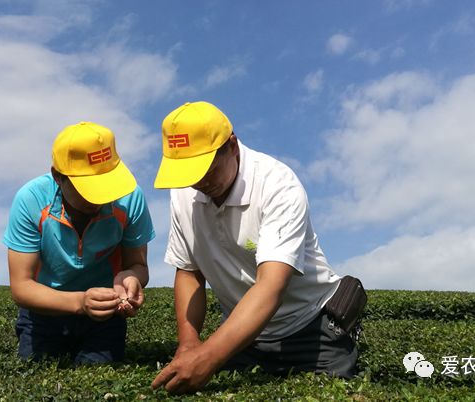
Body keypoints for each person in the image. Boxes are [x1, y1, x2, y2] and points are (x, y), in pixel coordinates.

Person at [150, 101, 362, 394]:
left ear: (232, 146)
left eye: (207, 169)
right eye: (188, 173)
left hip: (309, 327)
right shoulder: (185, 191)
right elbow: (189, 271)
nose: (199, 182)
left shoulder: (278, 185)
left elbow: (270, 287)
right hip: (242, 334)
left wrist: (208, 357)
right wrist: (189, 343)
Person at [3, 121, 155, 365]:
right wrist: (80, 302)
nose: (101, 198)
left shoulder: (130, 198)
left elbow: (138, 264)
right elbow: (21, 287)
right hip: (43, 313)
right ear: (58, 177)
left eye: (107, 183)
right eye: (88, 188)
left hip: (104, 316)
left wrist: (131, 279)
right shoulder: (30, 200)